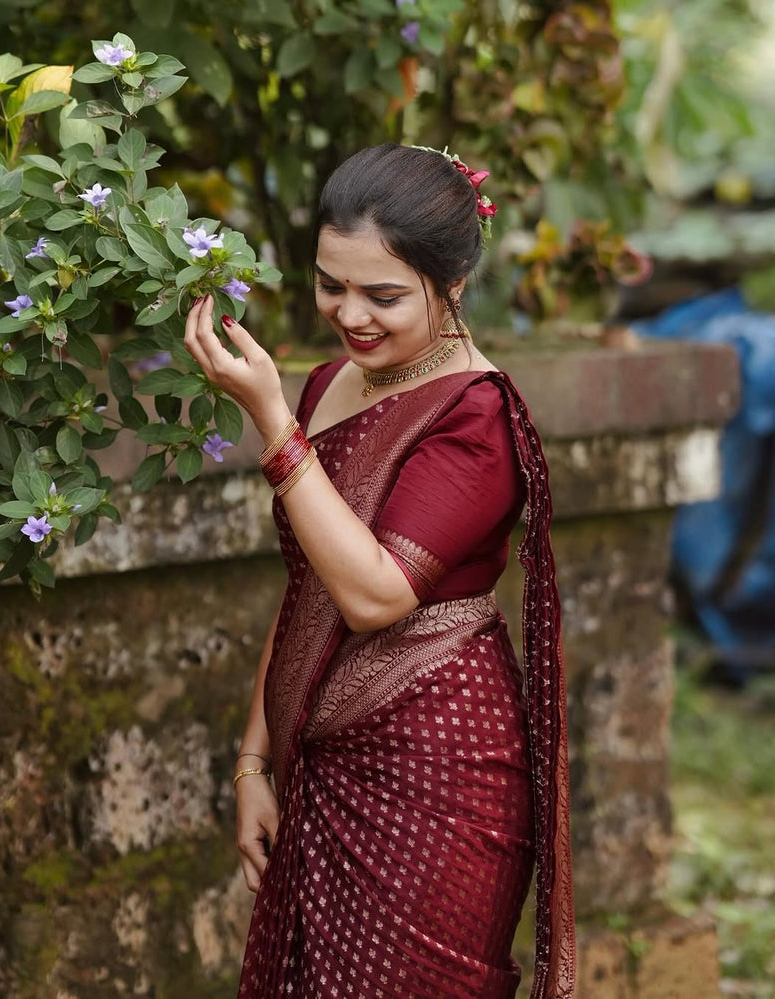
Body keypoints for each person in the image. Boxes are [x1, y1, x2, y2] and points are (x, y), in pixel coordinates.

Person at [184, 143, 575, 999]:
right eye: (332, 284)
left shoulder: (476, 416)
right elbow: (309, 593)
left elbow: (368, 595)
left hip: (438, 774)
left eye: (384, 295)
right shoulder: (330, 384)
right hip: (318, 767)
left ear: (454, 282)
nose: (351, 315)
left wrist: (270, 423)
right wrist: (253, 763)